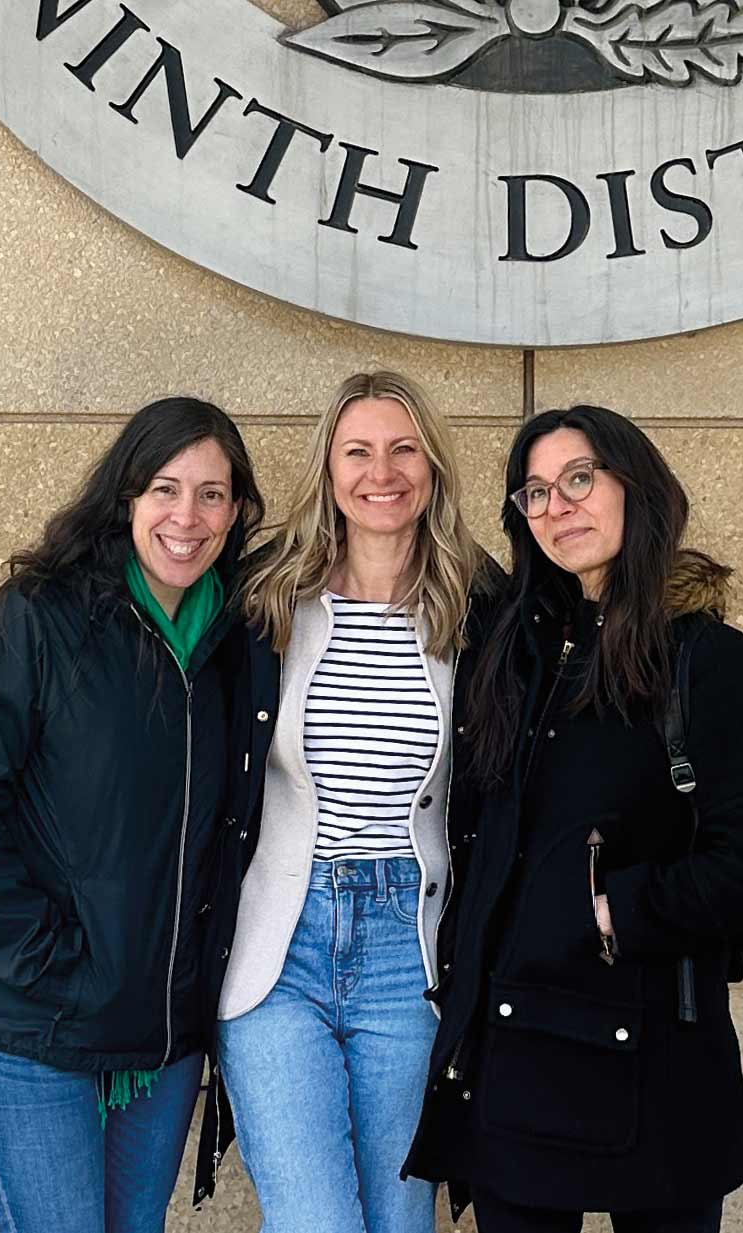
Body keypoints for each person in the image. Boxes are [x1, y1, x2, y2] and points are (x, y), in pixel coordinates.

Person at [404, 405, 743, 1233]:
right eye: (536, 493)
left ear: (634, 485)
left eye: (579, 478)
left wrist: (619, 907)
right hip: (515, 1056)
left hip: (654, 1054)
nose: (559, 507)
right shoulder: (516, 648)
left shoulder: (704, 657)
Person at [0, 397, 269, 1233]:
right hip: (31, 1021)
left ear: (237, 509)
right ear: (125, 499)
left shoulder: (238, 638)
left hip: (161, 1036)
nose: (188, 517)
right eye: (165, 489)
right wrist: (50, 965)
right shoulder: (41, 617)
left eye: (213, 494)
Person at [216, 372, 490, 1233]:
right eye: (359, 450)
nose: (384, 471)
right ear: (329, 469)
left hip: (408, 952)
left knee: (401, 1223)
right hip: (280, 947)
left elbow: (606, 659)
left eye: (405, 448)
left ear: (434, 466)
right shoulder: (265, 599)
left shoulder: (483, 608)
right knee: (316, 1222)